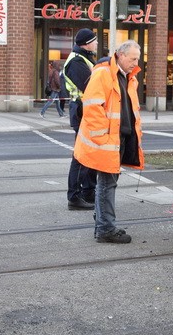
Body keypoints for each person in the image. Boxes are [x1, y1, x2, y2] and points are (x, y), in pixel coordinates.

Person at [73, 40, 144, 244]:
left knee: (107, 184)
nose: (135, 62)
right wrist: (103, 137)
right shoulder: (104, 73)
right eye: (133, 58)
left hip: (115, 139)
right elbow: (93, 107)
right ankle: (105, 228)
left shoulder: (126, 76)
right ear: (120, 55)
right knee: (106, 184)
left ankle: (103, 222)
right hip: (106, 140)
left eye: (137, 59)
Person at [62, 28, 100, 210]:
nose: (97, 43)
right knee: (81, 155)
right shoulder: (77, 61)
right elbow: (90, 86)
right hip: (81, 111)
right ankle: (75, 196)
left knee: (90, 154)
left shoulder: (84, 58)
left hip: (87, 111)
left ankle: (88, 192)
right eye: (94, 40)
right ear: (86, 43)